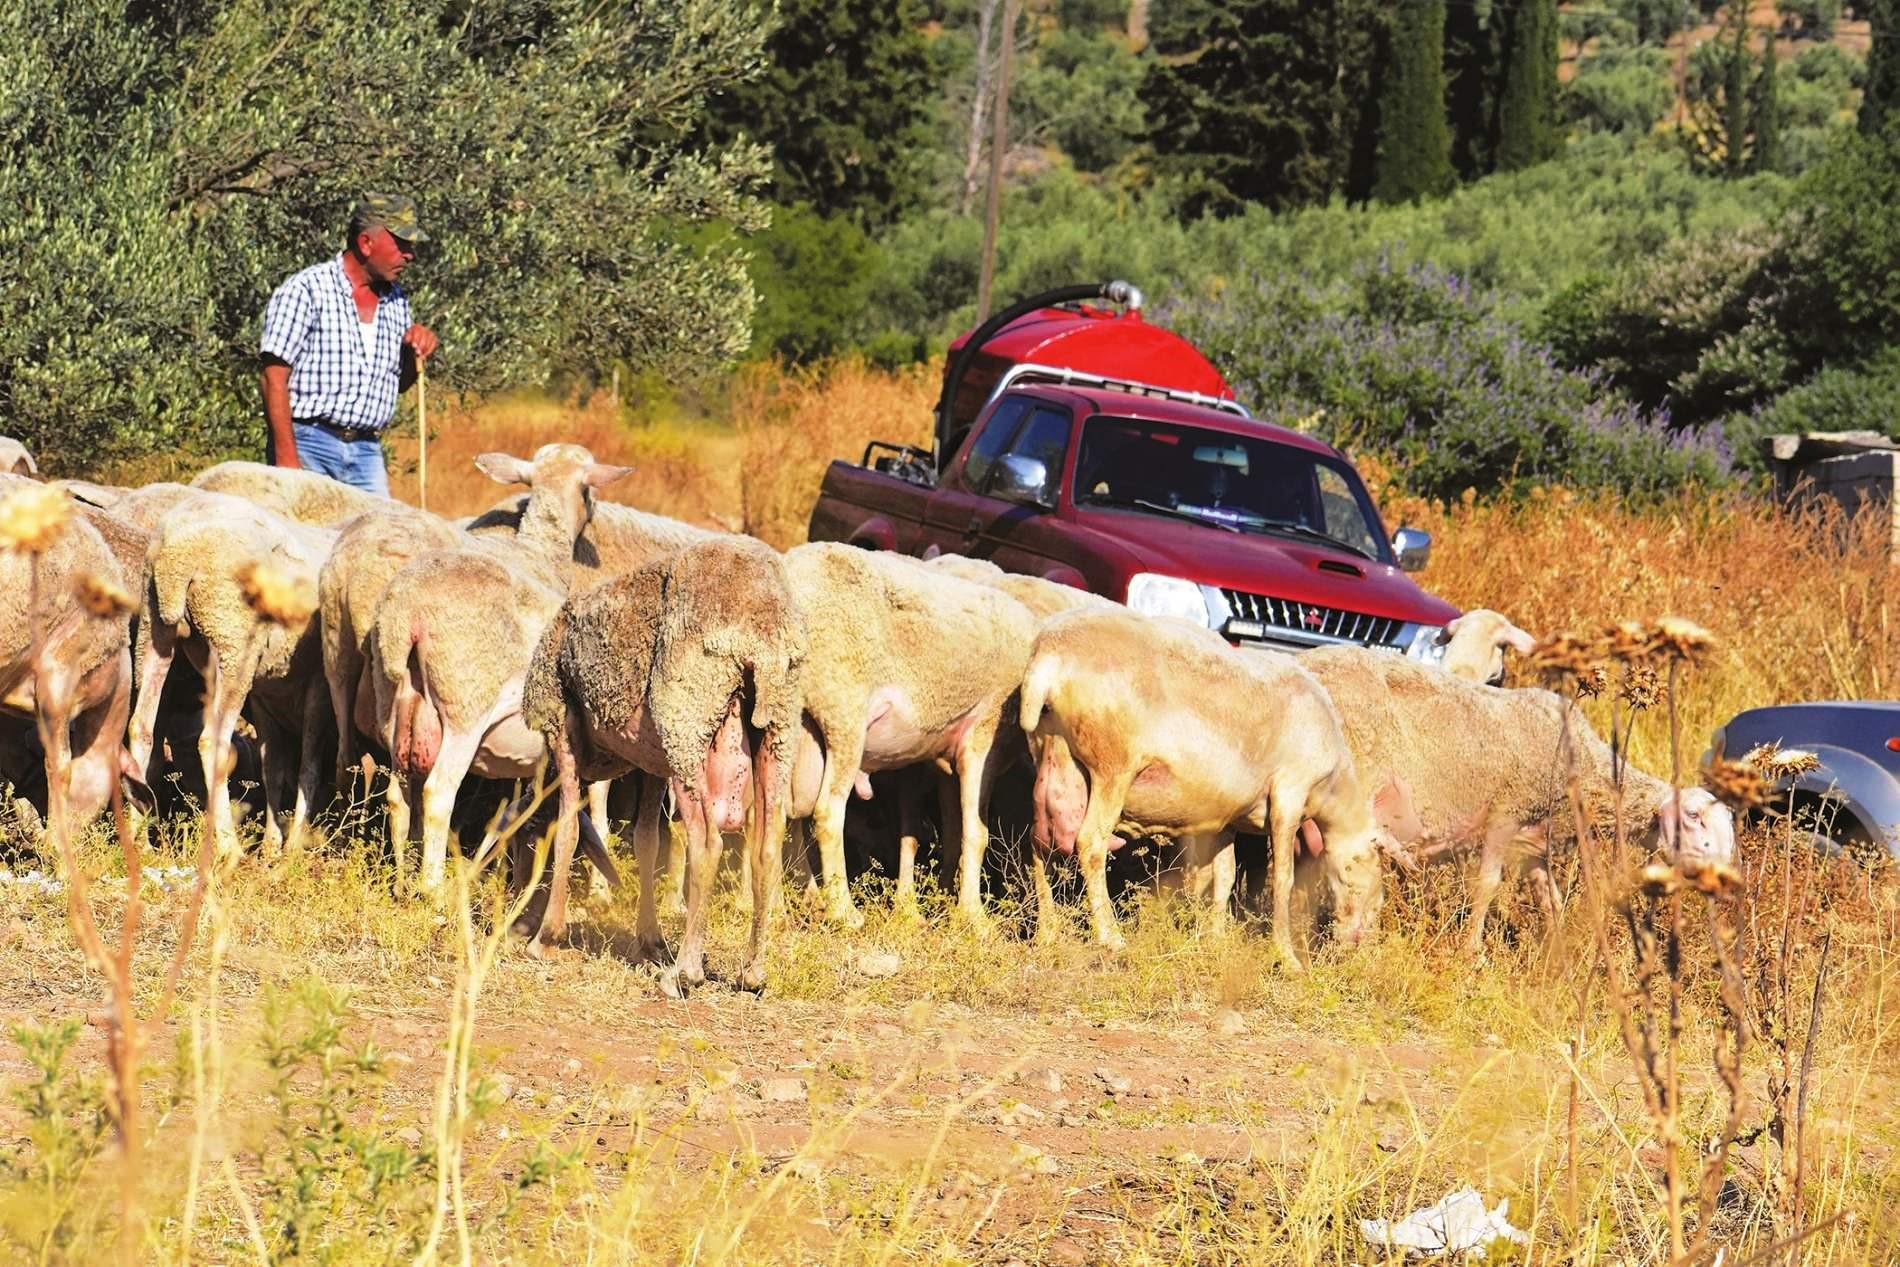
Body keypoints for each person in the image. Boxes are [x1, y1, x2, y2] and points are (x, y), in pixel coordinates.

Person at [258, 193, 439, 495]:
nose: (410, 255)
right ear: (366, 243)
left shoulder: (398, 301)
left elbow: (399, 384)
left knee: (381, 527)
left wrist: (414, 351)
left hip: (367, 451)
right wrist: (287, 460)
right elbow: (272, 378)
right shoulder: (306, 289)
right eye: (402, 244)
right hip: (309, 443)